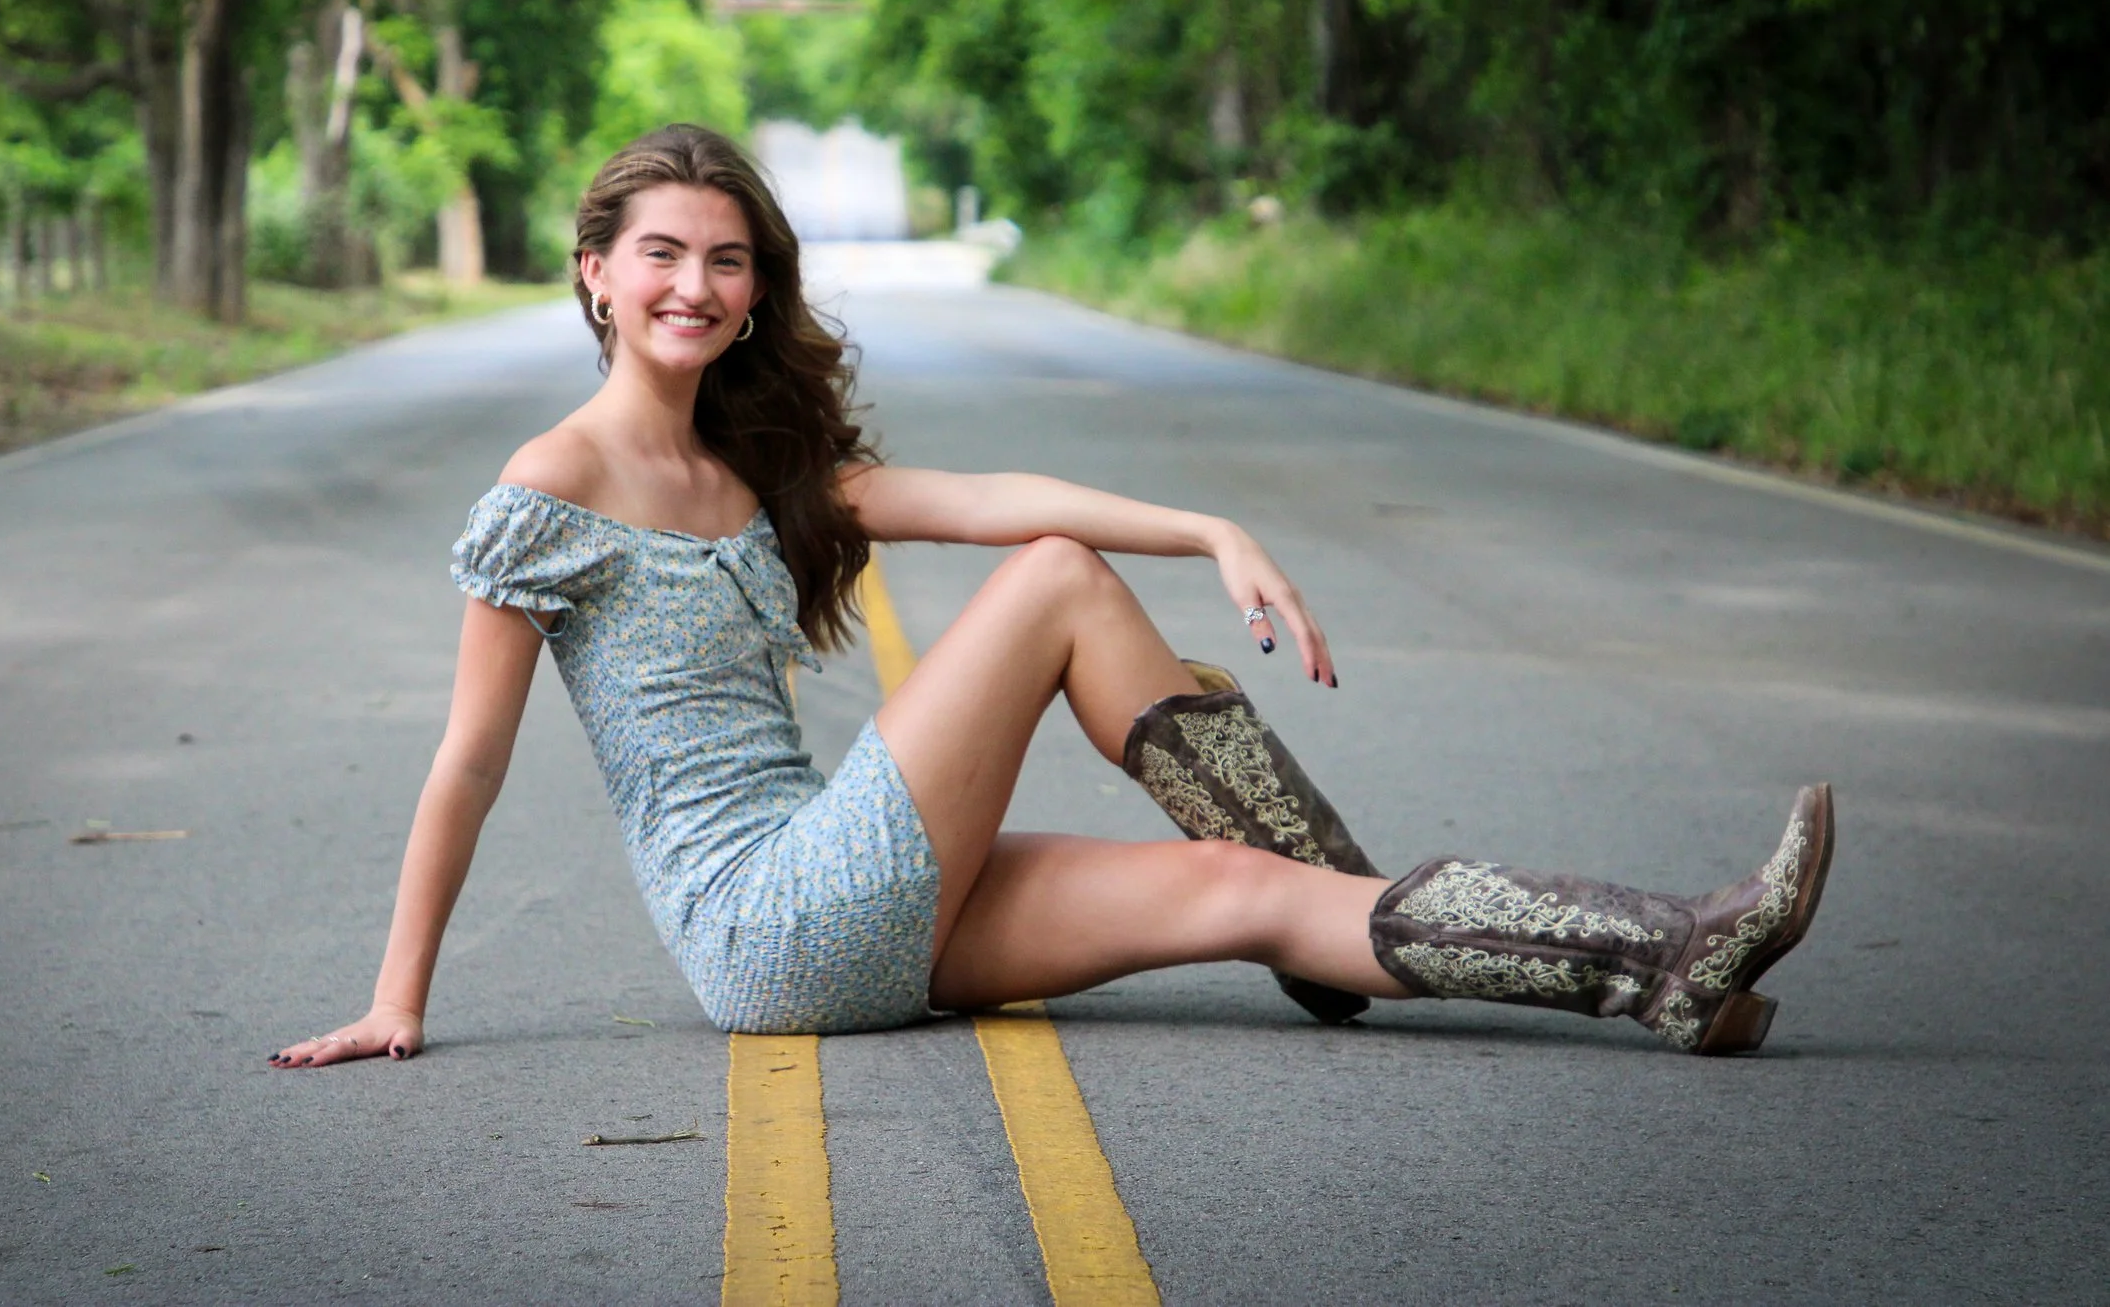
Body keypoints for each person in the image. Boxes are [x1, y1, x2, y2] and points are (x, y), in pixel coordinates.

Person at [273, 124, 1833, 1069]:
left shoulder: (756, 464)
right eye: (665, 253)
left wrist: (1209, 522)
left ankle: (1660, 962)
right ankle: (1349, 899)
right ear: (596, 273)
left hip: (856, 896)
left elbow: (989, 496)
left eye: (730, 259)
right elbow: (467, 761)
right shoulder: (548, 490)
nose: (698, 284)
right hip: (765, 924)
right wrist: (395, 996)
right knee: (1057, 589)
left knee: (1238, 893)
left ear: (758, 289)